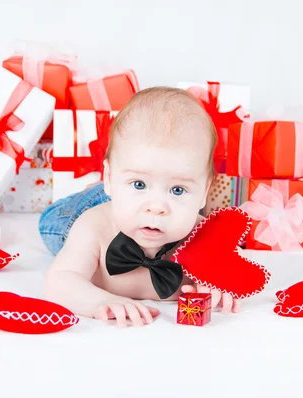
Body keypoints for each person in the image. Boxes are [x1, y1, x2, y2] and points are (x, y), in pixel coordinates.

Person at [39, 86, 242, 327]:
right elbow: (60, 280)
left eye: (178, 190)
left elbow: (234, 272)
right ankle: (97, 190)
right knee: (57, 229)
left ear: (204, 193)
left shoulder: (206, 236)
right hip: (73, 215)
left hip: (126, 202)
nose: (156, 207)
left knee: (133, 197)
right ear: (109, 176)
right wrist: (100, 302)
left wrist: (217, 285)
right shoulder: (92, 228)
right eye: (139, 183)